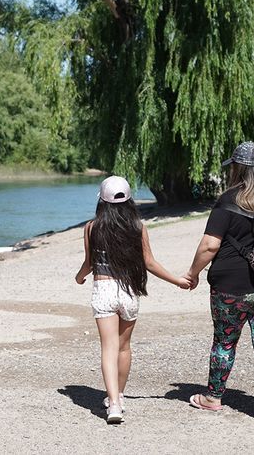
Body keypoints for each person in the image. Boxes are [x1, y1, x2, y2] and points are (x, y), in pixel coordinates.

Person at [184, 142, 254, 428]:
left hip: (231, 287)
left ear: (237, 168)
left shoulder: (229, 200)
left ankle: (213, 397)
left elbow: (209, 246)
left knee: (224, 341)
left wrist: (193, 273)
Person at [75, 175, 191, 424]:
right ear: (129, 201)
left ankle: (113, 403)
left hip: (104, 290)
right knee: (124, 347)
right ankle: (120, 395)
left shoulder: (92, 227)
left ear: (102, 201)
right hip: (128, 292)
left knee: (109, 348)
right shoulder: (138, 227)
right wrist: (177, 280)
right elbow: (149, 263)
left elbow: (89, 263)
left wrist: (79, 277)